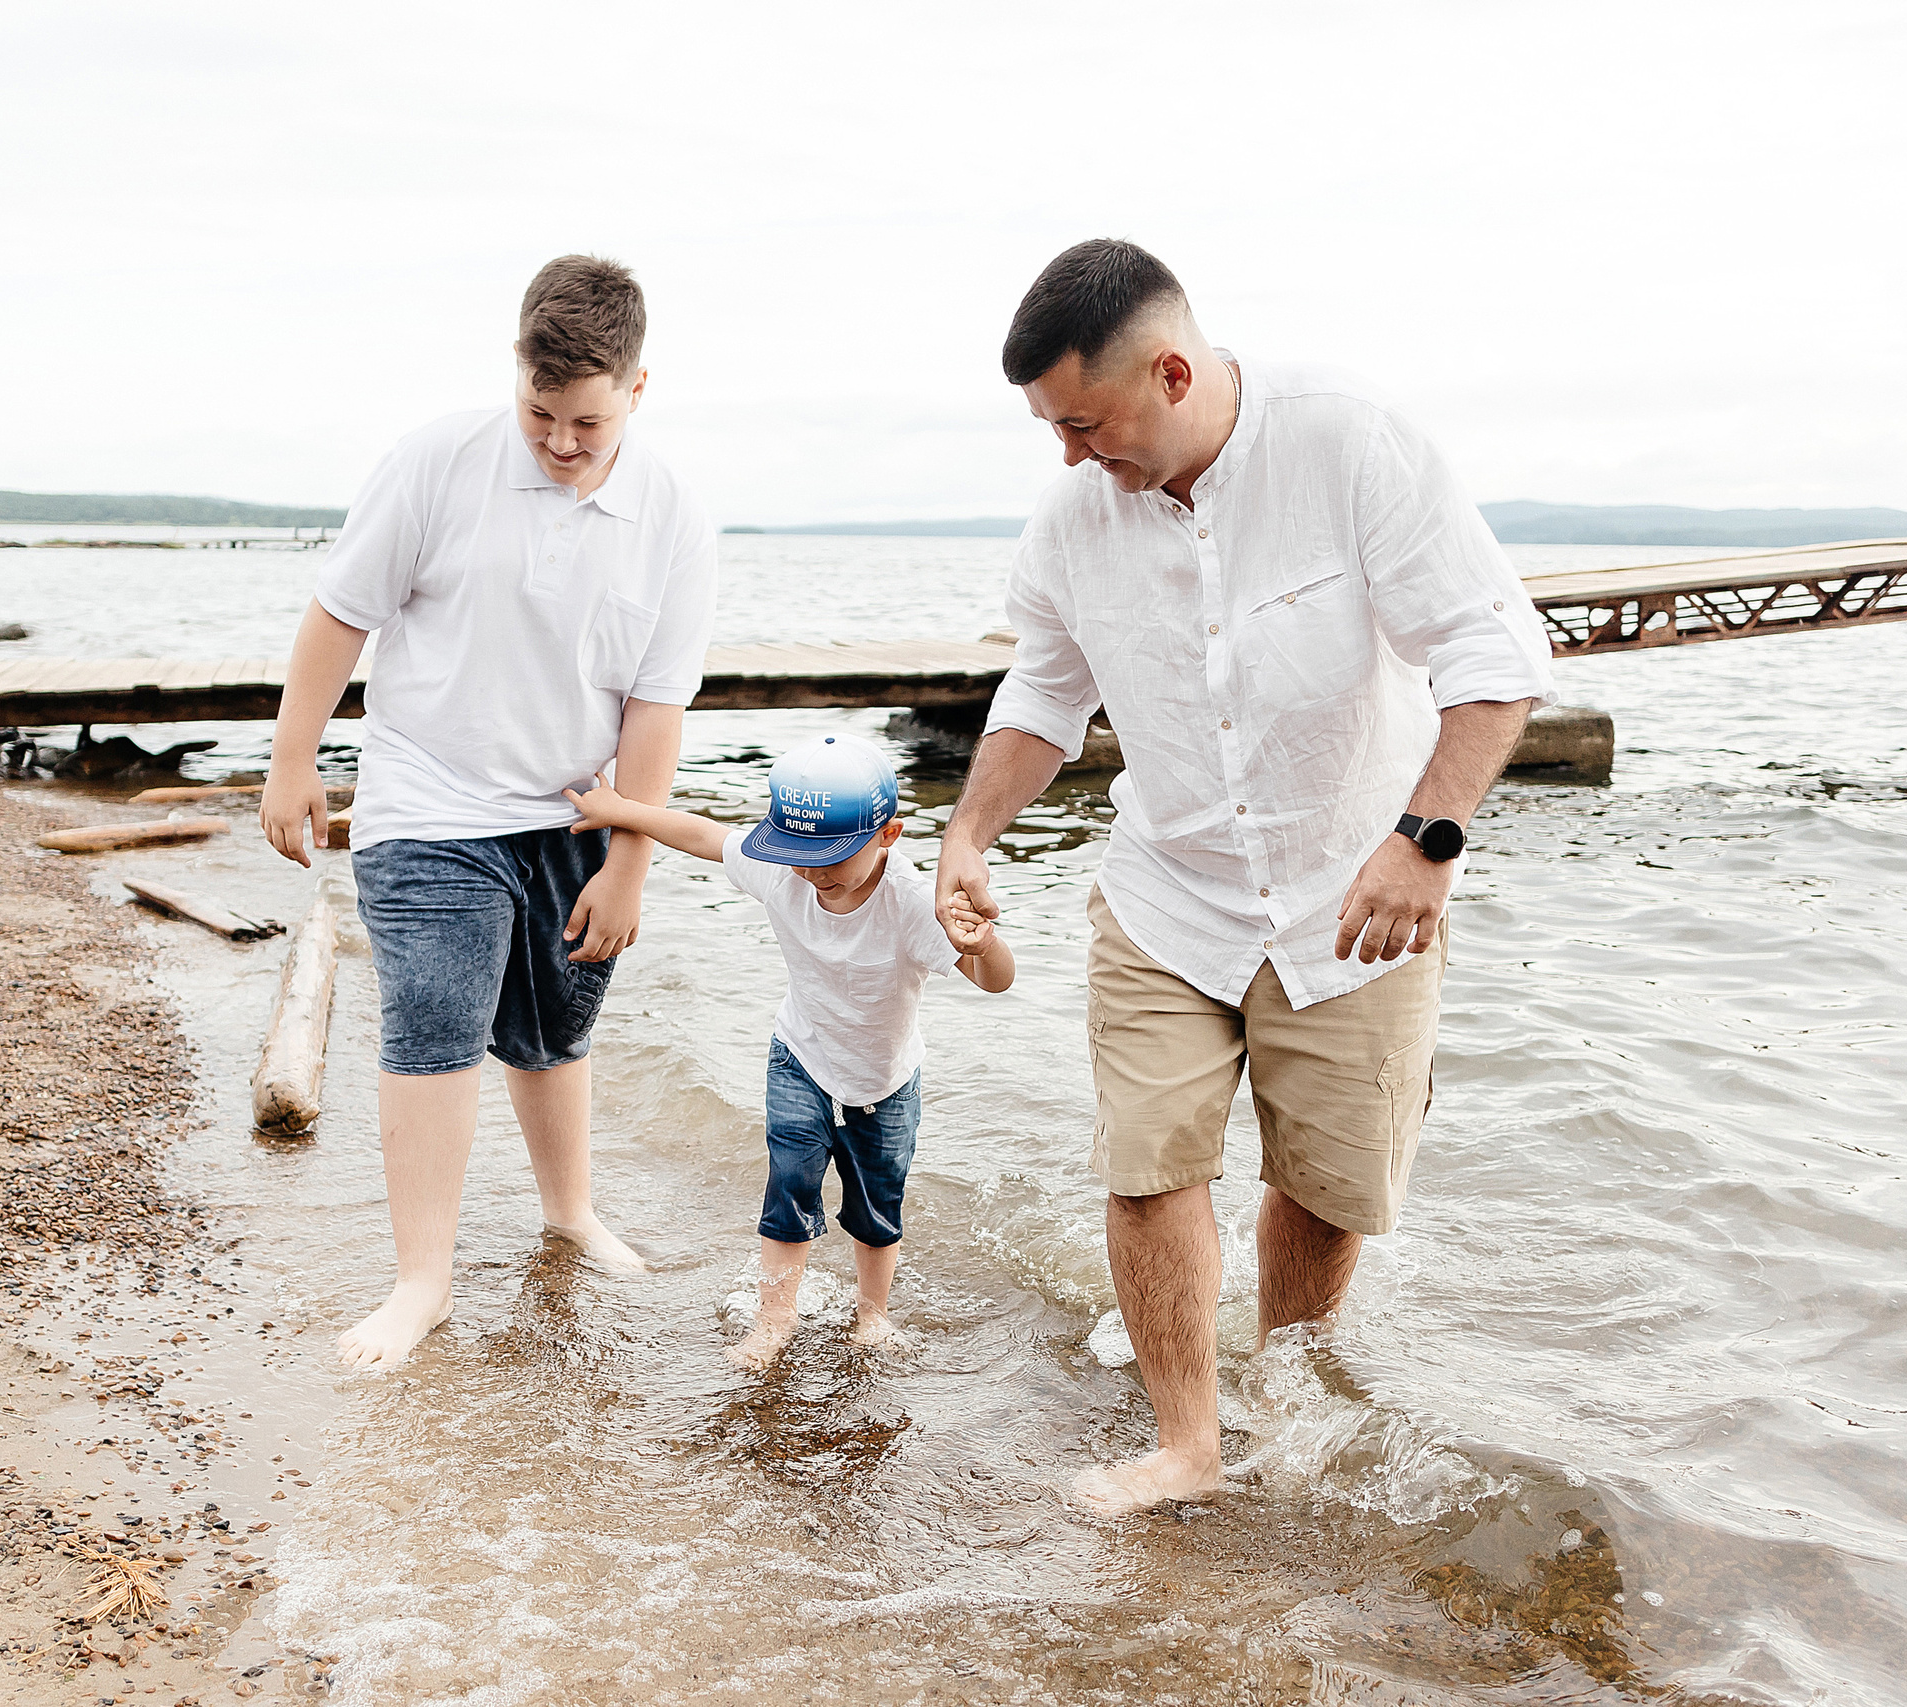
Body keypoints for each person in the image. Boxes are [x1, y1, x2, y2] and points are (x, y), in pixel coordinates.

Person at [934, 239, 1559, 1514]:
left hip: (1357, 893)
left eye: (1084, 424)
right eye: (1050, 430)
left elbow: (1494, 654)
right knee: (1148, 1161)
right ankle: (1187, 1444)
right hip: (1168, 895)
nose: (1068, 456)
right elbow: (1044, 695)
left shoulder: (1351, 444)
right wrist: (967, 836)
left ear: (1171, 371)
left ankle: (1284, 1391)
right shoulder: (1072, 521)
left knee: (1323, 1188)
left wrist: (1425, 840)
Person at [259, 254, 718, 1371]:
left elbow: (654, 708)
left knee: (555, 1028)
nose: (563, 443)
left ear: (639, 393)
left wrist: (629, 864)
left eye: (588, 423)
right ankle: (423, 1282)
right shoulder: (436, 463)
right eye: (541, 414)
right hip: (427, 795)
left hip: (573, 809)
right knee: (434, 1028)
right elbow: (338, 617)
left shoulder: (672, 517)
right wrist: (292, 761)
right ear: (514, 375)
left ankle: (569, 1214)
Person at [565, 734, 1014, 1366]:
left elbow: (997, 981)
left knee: (877, 1206)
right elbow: (701, 835)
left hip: (885, 1081)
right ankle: (775, 1316)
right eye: (798, 854)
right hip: (799, 1058)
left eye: (829, 858)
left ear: (888, 835)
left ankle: (873, 1314)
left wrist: (981, 944)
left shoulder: (915, 903)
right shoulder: (784, 869)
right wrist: (621, 811)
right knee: (790, 1186)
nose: (809, 872)